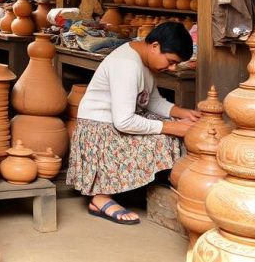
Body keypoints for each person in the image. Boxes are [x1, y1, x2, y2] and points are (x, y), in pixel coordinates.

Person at [66, 22, 200, 225]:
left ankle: (136, 184)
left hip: (114, 123)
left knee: (172, 126)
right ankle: (100, 196)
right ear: (155, 46)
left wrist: (184, 114)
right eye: (171, 61)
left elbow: (152, 101)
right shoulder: (127, 64)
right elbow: (124, 121)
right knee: (167, 137)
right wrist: (172, 127)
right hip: (99, 131)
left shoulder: (143, 60)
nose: (172, 68)